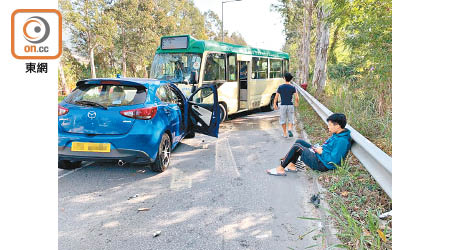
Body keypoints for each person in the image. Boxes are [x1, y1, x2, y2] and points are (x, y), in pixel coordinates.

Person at [266, 113, 352, 176]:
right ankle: (291, 165)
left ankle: (280, 169)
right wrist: (319, 149)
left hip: (322, 164)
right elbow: (329, 148)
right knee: (300, 141)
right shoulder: (337, 134)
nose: (328, 127)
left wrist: (321, 152)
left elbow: (334, 161)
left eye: (329, 125)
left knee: (297, 147)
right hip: (320, 156)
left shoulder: (342, 141)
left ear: (337, 126)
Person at [273, 72, 299, 138]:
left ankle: (285, 133)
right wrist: (296, 103)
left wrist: (274, 104)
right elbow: (296, 97)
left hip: (283, 105)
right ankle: (289, 129)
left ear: (284, 78)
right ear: (291, 79)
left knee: (283, 120)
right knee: (291, 119)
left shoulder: (280, 87)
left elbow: (276, 96)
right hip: (290, 105)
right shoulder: (293, 87)